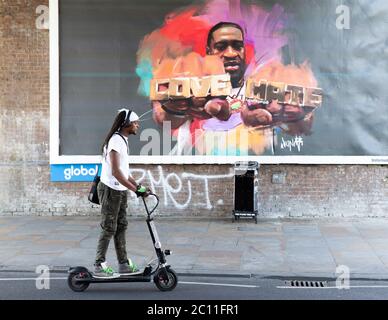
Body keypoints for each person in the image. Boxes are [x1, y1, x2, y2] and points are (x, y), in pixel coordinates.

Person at [152, 22, 315, 155]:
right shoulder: (193, 90)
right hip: (201, 180)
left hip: (254, 176)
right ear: (209, 51)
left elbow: (302, 126)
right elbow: (165, 119)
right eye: (221, 47)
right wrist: (177, 108)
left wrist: (297, 115)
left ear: (245, 51)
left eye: (237, 46)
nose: (231, 53)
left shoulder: (265, 92)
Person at [94, 108, 150, 278]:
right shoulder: (116, 141)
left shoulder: (122, 140)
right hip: (111, 189)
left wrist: (137, 186)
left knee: (121, 226)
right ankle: (99, 264)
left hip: (119, 189)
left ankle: (123, 264)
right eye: (135, 123)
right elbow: (117, 173)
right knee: (109, 227)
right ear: (126, 124)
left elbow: (124, 172)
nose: (138, 125)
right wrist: (135, 190)